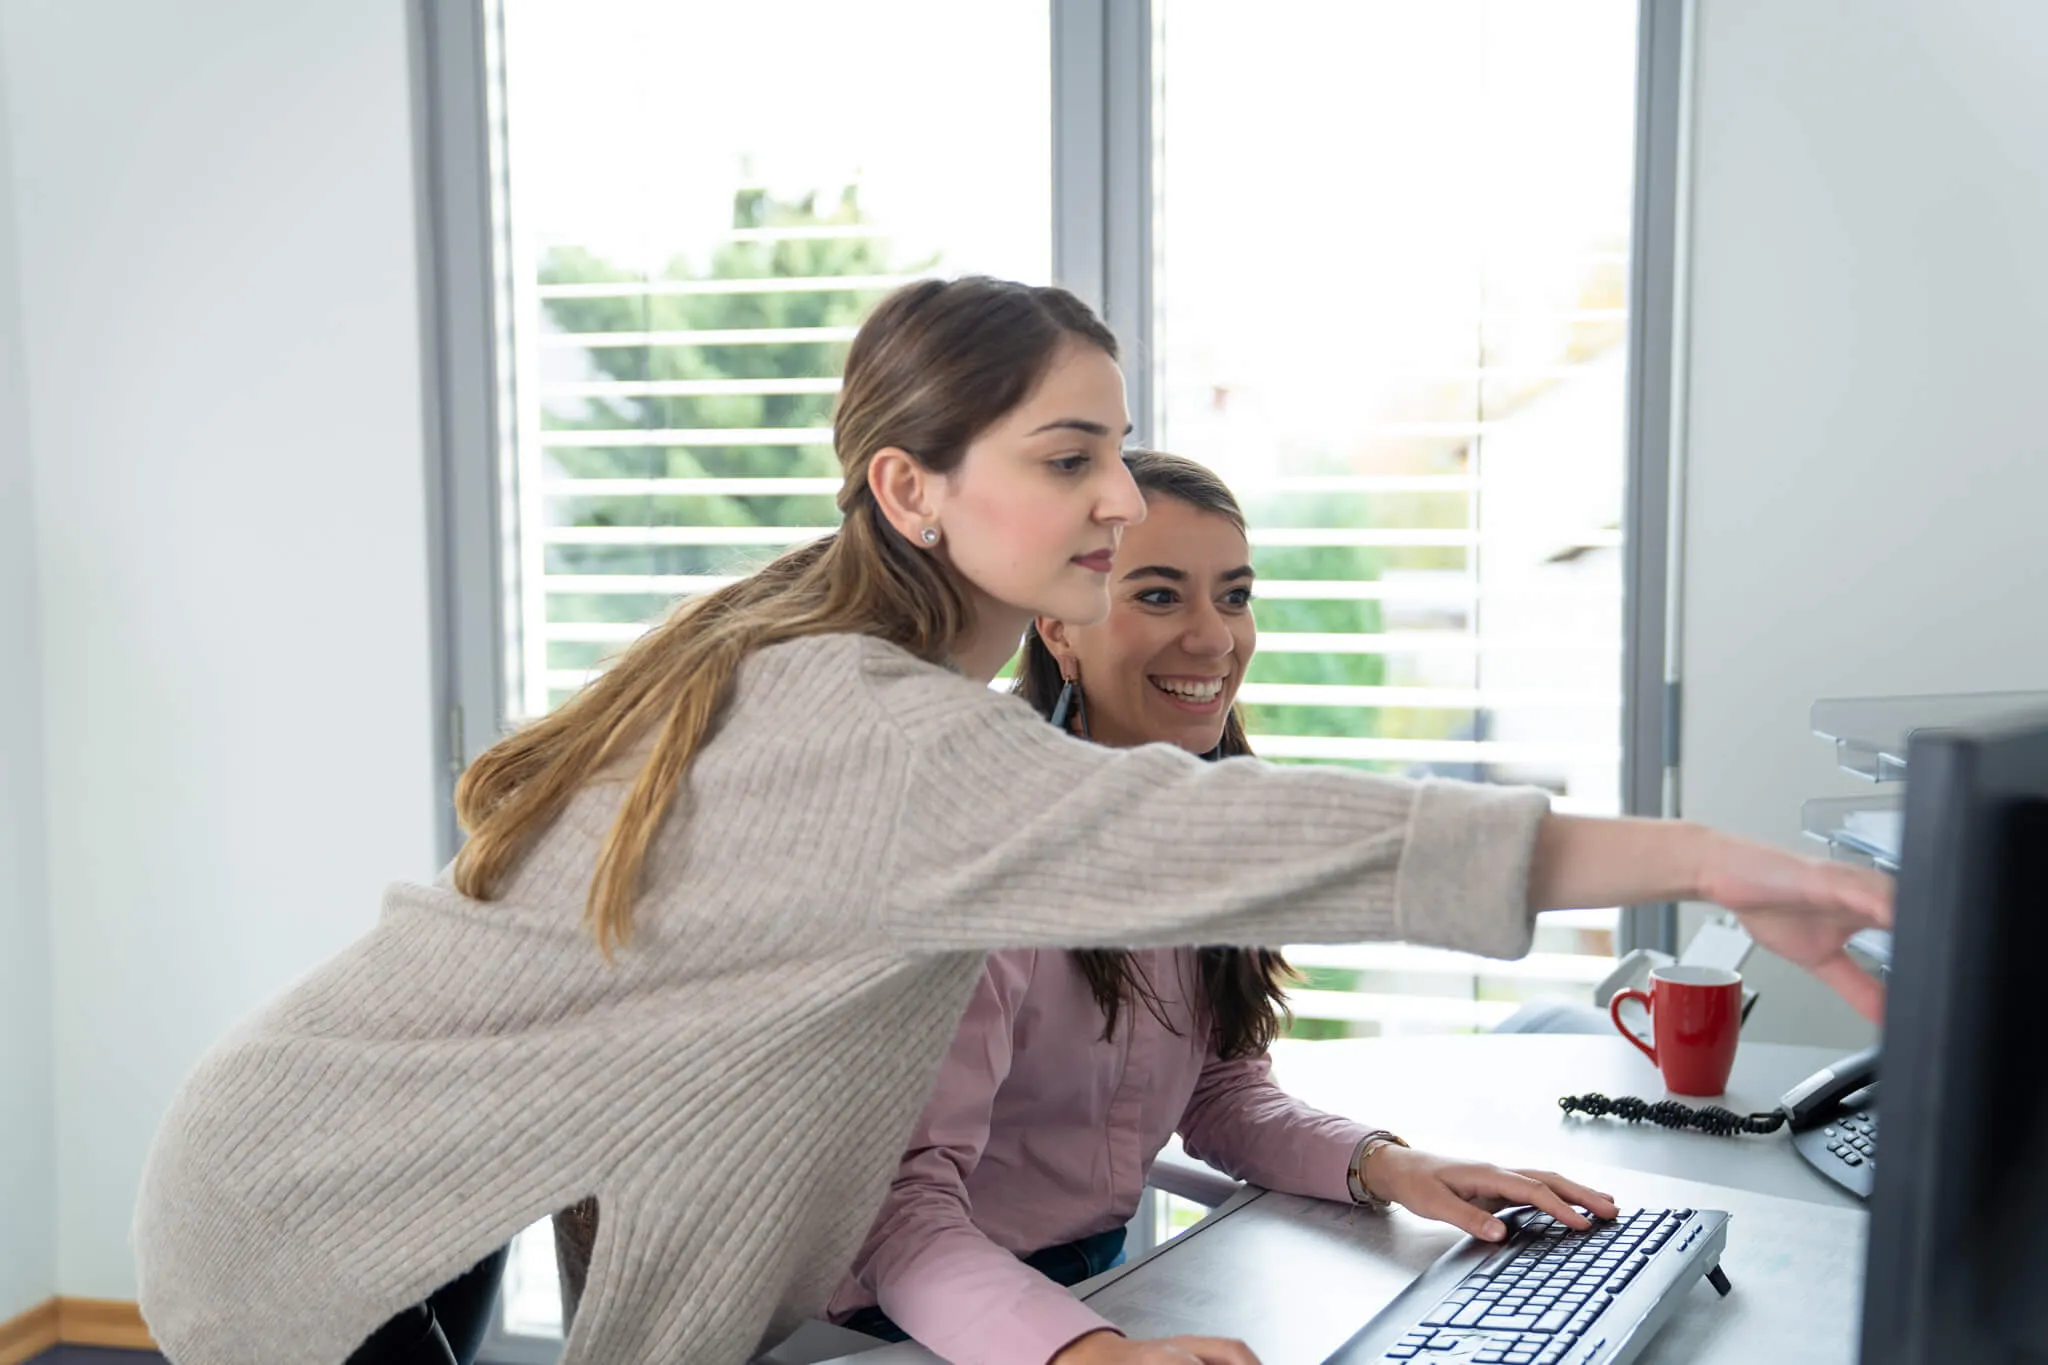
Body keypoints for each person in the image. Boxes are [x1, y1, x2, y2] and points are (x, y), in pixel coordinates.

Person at [132, 277, 1890, 1365]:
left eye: (1115, 450)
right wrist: (1703, 861)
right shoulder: (874, 725)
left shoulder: (877, 695)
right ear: (910, 487)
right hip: (301, 1202)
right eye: (1067, 459)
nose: (1116, 502)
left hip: (375, 1175)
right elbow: (1242, 839)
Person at [821, 452, 1621, 1365]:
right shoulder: (979, 860)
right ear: (1058, 627)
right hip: (920, 1325)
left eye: (1233, 597)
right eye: (1159, 596)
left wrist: (1394, 1166)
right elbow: (900, 1216)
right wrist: (1087, 1352)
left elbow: (1220, 1091)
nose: (1215, 639)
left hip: (1098, 1286)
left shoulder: (1212, 826)